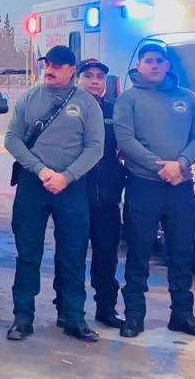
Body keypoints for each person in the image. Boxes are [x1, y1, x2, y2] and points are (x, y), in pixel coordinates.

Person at [4, 46, 103, 342]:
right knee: (28, 253)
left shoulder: (86, 103)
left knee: (72, 254)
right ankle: (23, 317)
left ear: (72, 70)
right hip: (33, 185)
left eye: (57, 66)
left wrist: (66, 176)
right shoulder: (29, 98)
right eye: (47, 64)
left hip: (71, 187)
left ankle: (73, 316)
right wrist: (40, 170)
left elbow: (95, 147)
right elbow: (12, 139)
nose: (50, 70)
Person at [114, 43, 195, 338]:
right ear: (139, 66)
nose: (154, 65)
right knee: (138, 253)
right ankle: (134, 316)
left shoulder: (188, 98)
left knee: (181, 253)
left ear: (168, 65)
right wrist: (160, 166)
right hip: (143, 186)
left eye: (159, 60)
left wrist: (181, 164)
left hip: (180, 187)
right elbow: (126, 140)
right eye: (148, 61)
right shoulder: (128, 99)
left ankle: (182, 315)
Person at [72, 58, 125, 329]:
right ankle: (70, 311)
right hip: (74, 199)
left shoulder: (116, 112)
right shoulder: (68, 110)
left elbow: (126, 146)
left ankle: (106, 308)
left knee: (106, 258)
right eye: (89, 75)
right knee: (72, 258)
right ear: (78, 79)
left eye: (100, 77)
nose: (95, 81)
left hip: (107, 201)